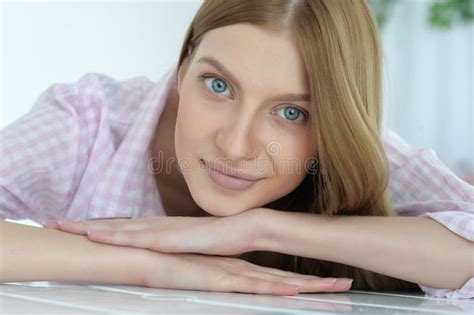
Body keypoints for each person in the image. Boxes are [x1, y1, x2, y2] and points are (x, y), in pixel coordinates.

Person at [1, 0, 472, 299]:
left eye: (291, 113)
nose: (235, 144)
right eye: (218, 84)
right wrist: (148, 263)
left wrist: (263, 230)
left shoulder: (349, 147)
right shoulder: (90, 122)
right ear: (183, 68)